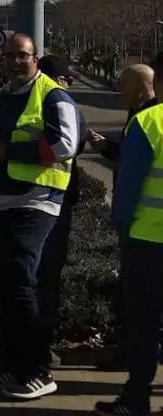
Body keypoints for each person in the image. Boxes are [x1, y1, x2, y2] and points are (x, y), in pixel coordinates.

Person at [0, 32, 80, 400]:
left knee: (21, 283)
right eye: (10, 56)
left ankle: (36, 370)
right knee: (5, 288)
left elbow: (65, 144)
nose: (16, 62)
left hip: (33, 203)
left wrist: (9, 152)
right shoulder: (0, 97)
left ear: (36, 58)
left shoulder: (52, 96)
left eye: (23, 56)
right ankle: (13, 365)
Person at [96, 64, 163, 416]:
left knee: (143, 324)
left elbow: (127, 188)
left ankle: (137, 398)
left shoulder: (148, 124)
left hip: (147, 243)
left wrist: (121, 228)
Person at [35, 54, 87, 366]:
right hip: (55, 202)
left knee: (33, 276)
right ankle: (41, 344)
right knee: (46, 277)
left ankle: (34, 343)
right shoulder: (60, 104)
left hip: (43, 200)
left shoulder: (34, 102)